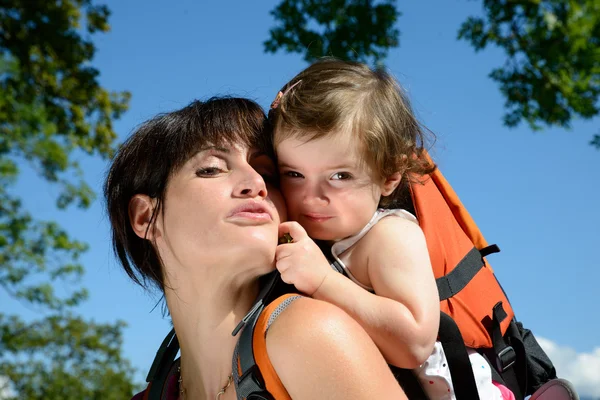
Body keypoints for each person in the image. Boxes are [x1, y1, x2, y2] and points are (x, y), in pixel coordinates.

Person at [104, 97, 406, 400]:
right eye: (211, 169)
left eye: (269, 174)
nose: (255, 182)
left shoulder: (309, 335)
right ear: (145, 217)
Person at [269, 59, 515, 400]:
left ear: (389, 177)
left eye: (340, 176)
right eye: (294, 174)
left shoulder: (389, 236)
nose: (312, 196)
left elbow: (414, 342)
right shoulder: (324, 240)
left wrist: (323, 281)